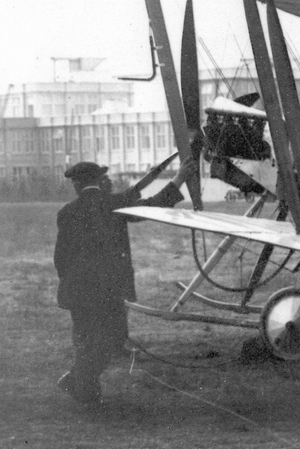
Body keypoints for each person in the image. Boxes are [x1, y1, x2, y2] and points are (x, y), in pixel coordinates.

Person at [54, 159, 195, 404]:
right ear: (99, 180)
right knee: (110, 339)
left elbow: (60, 257)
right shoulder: (115, 203)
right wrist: (180, 178)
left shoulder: (66, 212)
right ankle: (83, 387)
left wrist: (71, 282)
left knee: (87, 338)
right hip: (109, 287)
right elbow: (156, 204)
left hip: (77, 288)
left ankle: (78, 381)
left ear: (76, 184)